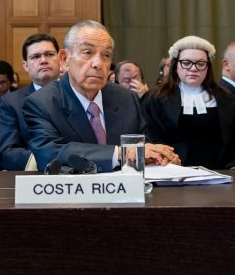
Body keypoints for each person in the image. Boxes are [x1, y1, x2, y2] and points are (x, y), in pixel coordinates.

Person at [22, 20, 181, 172]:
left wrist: (160, 157)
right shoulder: (42, 103)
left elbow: (145, 146)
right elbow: (50, 155)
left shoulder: (126, 98)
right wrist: (120, 153)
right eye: (87, 53)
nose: (98, 63)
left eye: (106, 55)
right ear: (64, 59)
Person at [142, 36, 235, 169]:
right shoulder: (155, 99)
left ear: (208, 67)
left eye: (201, 64)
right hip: (170, 172)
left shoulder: (227, 100)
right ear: (176, 65)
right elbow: (149, 139)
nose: (193, 68)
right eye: (186, 63)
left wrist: (233, 165)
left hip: (219, 173)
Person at [0, 33, 61, 170]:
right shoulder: (11, 102)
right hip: (34, 175)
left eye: (49, 54)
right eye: (35, 56)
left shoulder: (77, 94)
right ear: (26, 65)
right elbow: (7, 153)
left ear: (61, 59)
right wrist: (52, 161)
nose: (43, 60)